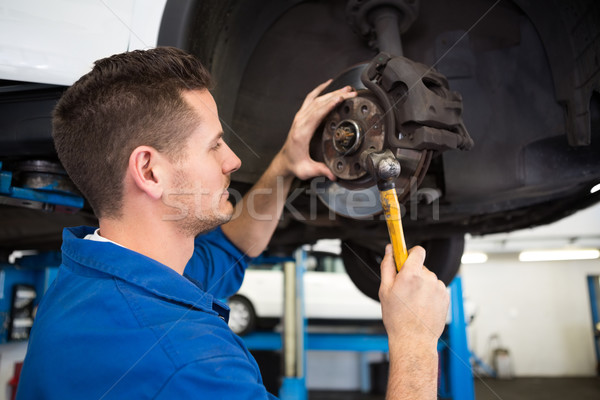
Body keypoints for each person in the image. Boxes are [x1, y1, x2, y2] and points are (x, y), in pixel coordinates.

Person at [16, 47, 449, 400]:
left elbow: (230, 248)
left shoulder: (92, 276)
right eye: (215, 146)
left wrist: (285, 165)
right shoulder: (187, 362)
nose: (234, 161)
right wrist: (416, 342)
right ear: (150, 171)